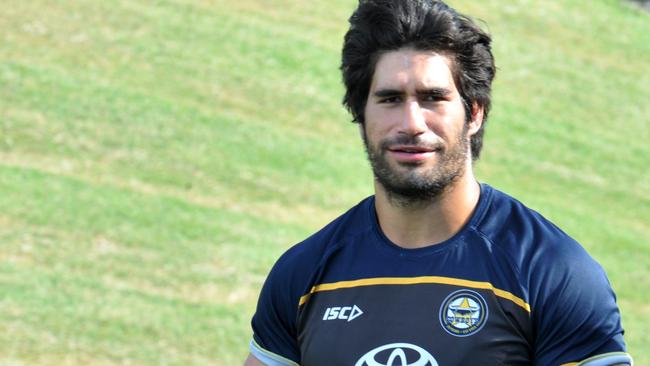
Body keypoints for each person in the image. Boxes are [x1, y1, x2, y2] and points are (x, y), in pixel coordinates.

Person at [244, 0, 632, 365]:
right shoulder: (303, 274)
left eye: (433, 97)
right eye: (390, 99)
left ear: (474, 113)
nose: (412, 123)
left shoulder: (553, 272)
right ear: (361, 114)